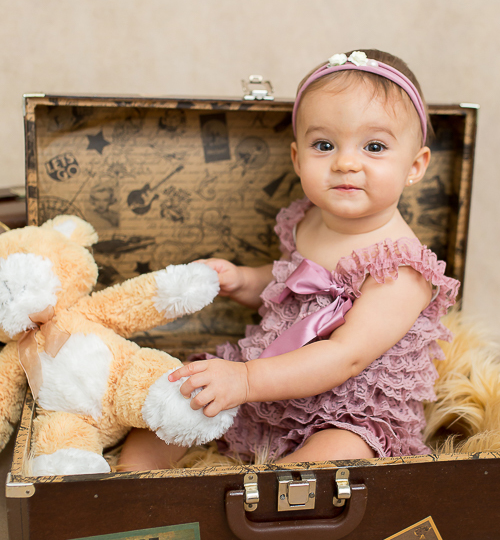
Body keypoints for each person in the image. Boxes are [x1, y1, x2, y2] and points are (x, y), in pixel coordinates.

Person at [121, 48, 459, 470]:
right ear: (298, 159)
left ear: (415, 165)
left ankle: (280, 485)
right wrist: (243, 280)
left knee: (345, 451)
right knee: (182, 392)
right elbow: (288, 282)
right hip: (272, 378)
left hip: (346, 404)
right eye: (324, 144)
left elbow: (345, 357)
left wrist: (245, 381)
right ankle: (130, 479)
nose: (346, 162)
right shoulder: (310, 219)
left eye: (374, 146)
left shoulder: (403, 269)